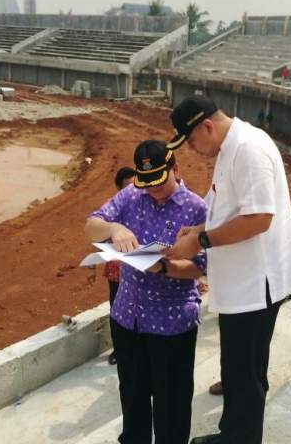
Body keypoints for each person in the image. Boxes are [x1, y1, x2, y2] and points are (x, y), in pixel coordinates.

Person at [163, 94, 291, 444]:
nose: (193, 149)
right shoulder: (229, 148)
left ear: (207, 126)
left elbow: (258, 218)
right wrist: (198, 230)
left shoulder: (248, 150)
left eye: (192, 140)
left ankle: (239, 438)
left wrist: (201, 242)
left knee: (244, 372)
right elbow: (227, 206)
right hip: (242, 283)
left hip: (255, 285)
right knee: (241, 369)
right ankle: (234, 432)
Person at [85, 140, 207, 444]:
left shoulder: (197, 208)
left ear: (175, 169)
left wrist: (163, 268)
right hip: (129, 318)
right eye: (146, 183)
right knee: (133, 395)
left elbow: (201, 266)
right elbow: (91, 225)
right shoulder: (132, 195)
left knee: (172, 404)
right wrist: (114, 228)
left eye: (159, 182)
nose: (152, 189)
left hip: (172, 322)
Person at [103, 166, 137, 365]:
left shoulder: (145, 205)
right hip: (118, 269)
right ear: (118, 188)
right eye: (127, 187)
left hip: (138, 268)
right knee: (116, 309)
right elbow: (99, 234)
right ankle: (119, 349)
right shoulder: (113, 209)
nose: (132, 190)